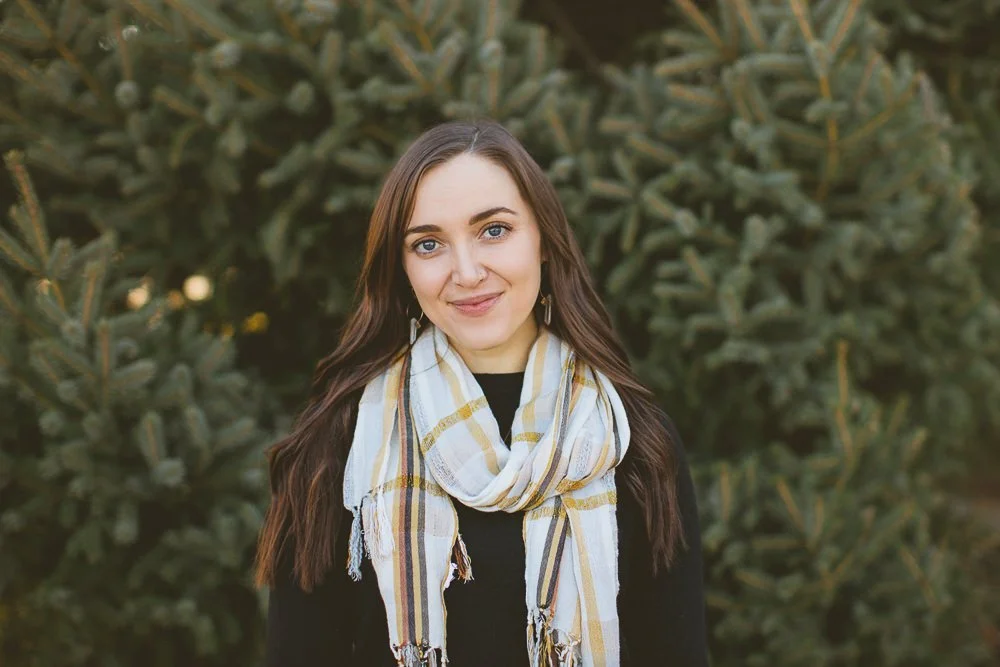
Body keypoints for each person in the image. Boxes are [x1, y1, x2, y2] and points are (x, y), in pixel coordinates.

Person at [255, 119, 709, 666]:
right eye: (428, 244)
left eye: (493, 230)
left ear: (543, 240)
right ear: (402, 269)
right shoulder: (339, 440)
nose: (466, 272)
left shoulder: (631, 439)